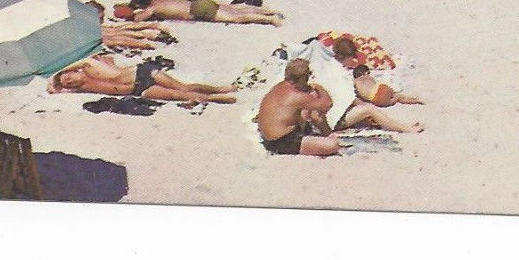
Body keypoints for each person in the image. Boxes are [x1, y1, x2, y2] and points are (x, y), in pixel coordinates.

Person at [49, 54, 237, 104]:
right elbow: (55, 90)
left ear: (71, 72)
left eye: (68, 78)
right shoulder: (85, 87)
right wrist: (59, 86)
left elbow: (77, 63)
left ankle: (220, 89)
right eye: (68, 84)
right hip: (139, 90)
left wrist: (55, 75)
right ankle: (215, 98)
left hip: (142, 73)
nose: (69, 81)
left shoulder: (90, 66)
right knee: (176, 96)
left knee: (184, 88)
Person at [256, 59, 341, 156]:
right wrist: (318, 87)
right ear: (302, 78)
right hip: (281, 141)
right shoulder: (296, 95)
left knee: (312, 104)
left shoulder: (280, 87)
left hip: (269, 137)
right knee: (333, 145)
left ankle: (328, 134)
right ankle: (328, 137)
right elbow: (327, 104)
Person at [334, 63, 425, 134]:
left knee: (371, 110)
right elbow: (353, 100)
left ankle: (405, 127)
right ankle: (406, 125)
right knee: (372, 109)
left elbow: (352, 99)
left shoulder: (351, 82)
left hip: (336, 116)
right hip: (379, 88)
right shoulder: (365, 79)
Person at [127, 0, 283, 25]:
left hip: (197, 10)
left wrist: (130, 13)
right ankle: (270, 11)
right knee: (238, 9)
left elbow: (138, 19)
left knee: (238, 18)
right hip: (197, 1)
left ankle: (271, 20)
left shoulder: (152, 9)